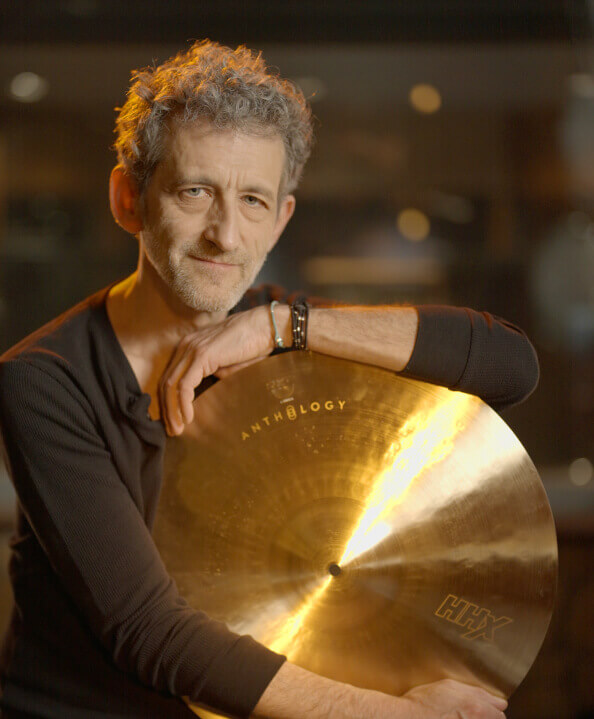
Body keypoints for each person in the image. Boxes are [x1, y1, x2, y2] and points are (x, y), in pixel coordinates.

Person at [0, 40, 536, 718]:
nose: (226, 234)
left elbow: (511, 365)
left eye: (254, 199)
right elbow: (148, 630)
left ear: (281, 219)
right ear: (128, 199)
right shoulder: (43, 381)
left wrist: (287, 327)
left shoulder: (281, 328)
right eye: (195, 192)